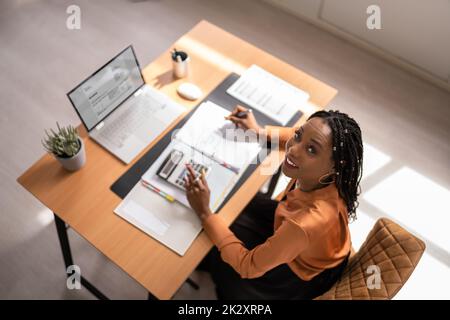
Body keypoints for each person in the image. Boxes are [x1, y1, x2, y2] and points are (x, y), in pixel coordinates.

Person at [184, 105, 363, 299]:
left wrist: (204, 213)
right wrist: (260, 131)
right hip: (298, 232)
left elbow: (248, 266)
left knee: (222, 249)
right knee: (234, 206)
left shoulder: (306, 222)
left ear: (335, 165)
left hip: (294, 275)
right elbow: (303, 137)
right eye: (298, 136)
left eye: (311, 149)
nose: (293, 150)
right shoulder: (331, 173)